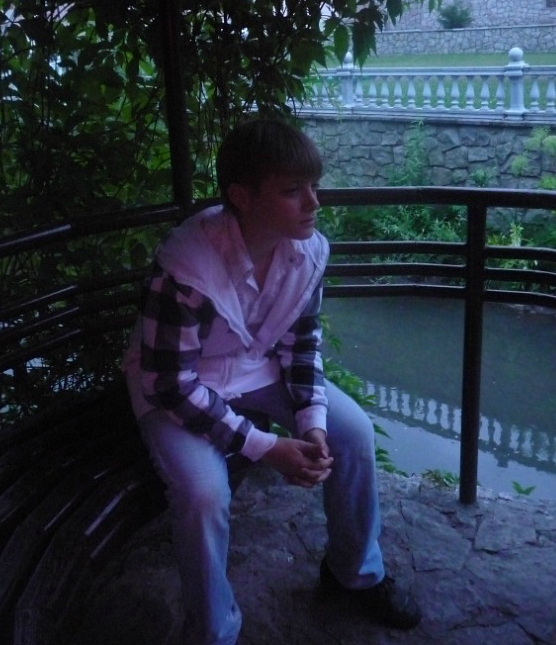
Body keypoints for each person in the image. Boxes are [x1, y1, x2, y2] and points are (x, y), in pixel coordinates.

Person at [122, 117, 421, 645]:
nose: (313, 203)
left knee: (352, 433)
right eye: (292, 191)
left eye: (314, 186)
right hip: (179, 386)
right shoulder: (185, 267)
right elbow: (169, 383)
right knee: (202, 493)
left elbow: (301, 344)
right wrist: (265, 447)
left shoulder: (305, 251)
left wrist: (312, 422)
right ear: (242, 196)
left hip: (255, 367)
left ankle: (354, 572)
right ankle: (213, 631)